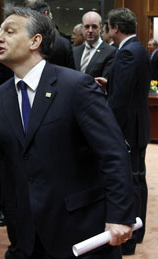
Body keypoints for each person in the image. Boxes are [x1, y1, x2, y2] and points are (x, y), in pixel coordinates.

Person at [0, 6, 135, 259]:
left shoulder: (76, 87)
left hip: (80, 231)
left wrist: (120, 215)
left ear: (35, 40)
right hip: (26, 233)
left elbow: (113, 152)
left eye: (9, 31)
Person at [96, 8, 151, 256]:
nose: (106, 30)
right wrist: (111, 83)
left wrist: (107, 129)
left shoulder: (129, 51)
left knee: (132, 180)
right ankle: (134, 231)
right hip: (135, 125)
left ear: (115, 28)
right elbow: (126, 88)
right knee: (135, 178)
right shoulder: (133, 49)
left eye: (107, 26)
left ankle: (131, 236)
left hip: (129, 128)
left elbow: (121, 101)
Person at [73, 11, 116, 78]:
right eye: (87, 27)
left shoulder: (110, 51)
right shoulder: (75, 51)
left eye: (94, 27)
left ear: (100, 28)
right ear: (82, 28)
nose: (90, 30)